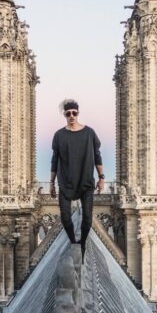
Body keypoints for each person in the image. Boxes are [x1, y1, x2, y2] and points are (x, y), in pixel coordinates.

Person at [50, 99, 104, 257]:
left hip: (85, 182)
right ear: (65, 115)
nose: (71, 116)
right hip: (65, 182)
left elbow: (97, 156)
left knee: (87, 219)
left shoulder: (89, 133)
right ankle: (74, 242)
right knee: (65, 217)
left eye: (74, 113)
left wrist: (101, 178)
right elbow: (54, 160)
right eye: (68, 113)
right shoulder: (59, 135)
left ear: (78, 113)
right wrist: (52, 183)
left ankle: (82, 244)